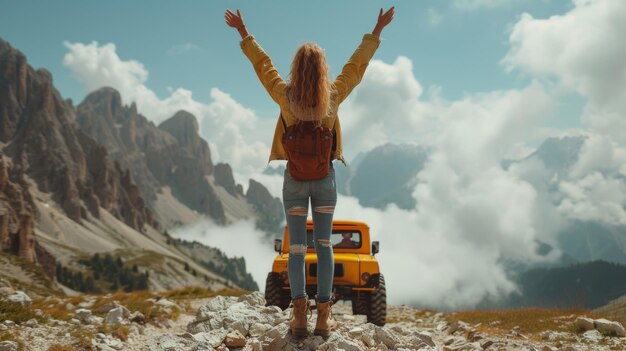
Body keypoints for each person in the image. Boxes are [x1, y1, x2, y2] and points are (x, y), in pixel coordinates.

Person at [225, 7, 394, 338]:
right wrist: (376, 28)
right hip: (325, 181)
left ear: (297, 69)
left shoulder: (284, 97)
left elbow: (263, 66)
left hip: (294, 182)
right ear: (321, 70)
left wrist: (243, 30)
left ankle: (299, 315)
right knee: (325, 246)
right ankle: (323, 316)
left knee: (297, 249)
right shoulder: (331, 97)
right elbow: (355, 67)